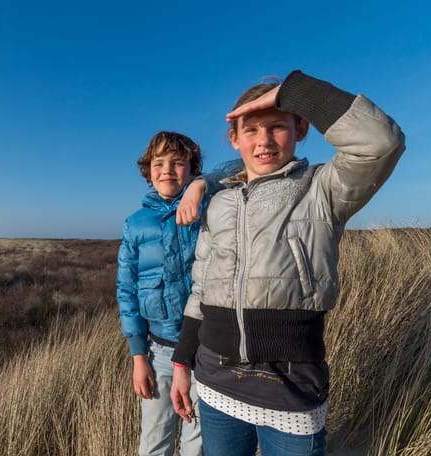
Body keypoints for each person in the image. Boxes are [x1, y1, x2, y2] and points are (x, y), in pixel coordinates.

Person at [169, 70, 406, 456]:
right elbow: (200, 288)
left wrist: (297, 93)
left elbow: (382, 143)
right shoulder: (219, 202)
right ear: (234, 139)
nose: (263, 141)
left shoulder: (322, 189)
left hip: (290, 388)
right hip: (214, 382)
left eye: (277, 126)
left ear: (301, 129)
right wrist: (182, 364)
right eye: (251, 130)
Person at [117, 131, 241, 456]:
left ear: (192, 167)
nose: (167, 170)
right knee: (154, 443)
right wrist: (138, 357)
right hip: (159, 354)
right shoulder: (136, 224)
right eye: (159, 163)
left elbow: (241, 164)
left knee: (196, 444)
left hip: (206, 350)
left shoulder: (209, 206)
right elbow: (127, 292)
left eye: (177, 163)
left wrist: (201, 186)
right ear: (148, 170)